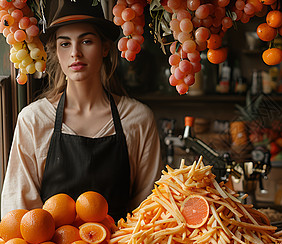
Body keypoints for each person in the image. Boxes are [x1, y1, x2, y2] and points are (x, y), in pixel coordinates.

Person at [1, 0, 162, 220]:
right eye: (65, 44)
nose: (75, 53)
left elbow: (150, 209)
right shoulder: (33, 120)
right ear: (56, 52)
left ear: (105, 47)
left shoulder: (137, 119)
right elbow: (19, 212)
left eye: (86, 41)